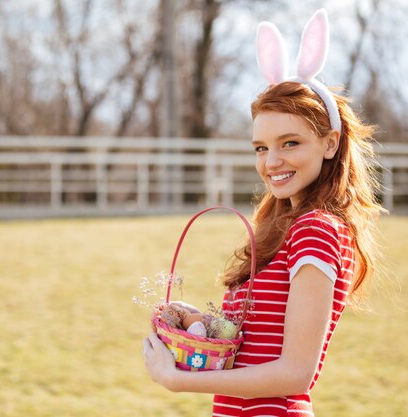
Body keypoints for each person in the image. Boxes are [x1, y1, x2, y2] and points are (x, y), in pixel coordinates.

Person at [142, 9, 386, 417]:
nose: (272, 161)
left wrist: (181, 380)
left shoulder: (317, 231)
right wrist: (201, 323)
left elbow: (295, 373)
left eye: (289, 143)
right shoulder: (280, 230)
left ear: (329, 143)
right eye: (261, 147)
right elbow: (261, 343)